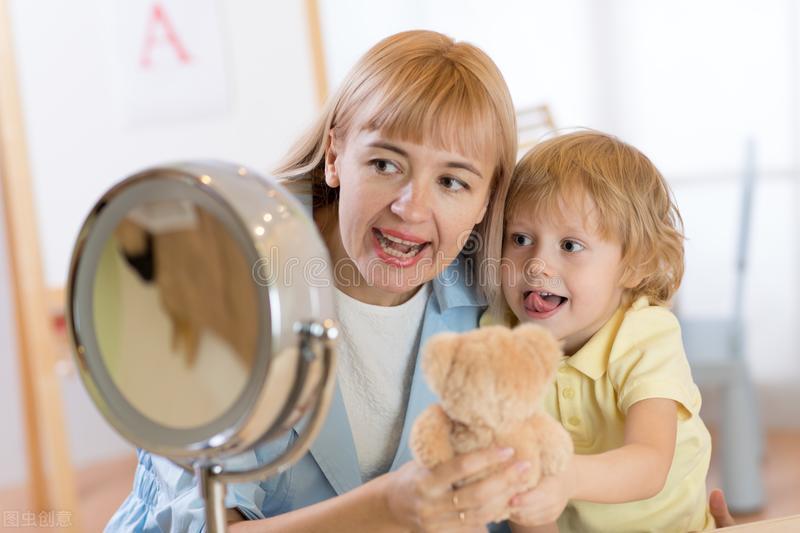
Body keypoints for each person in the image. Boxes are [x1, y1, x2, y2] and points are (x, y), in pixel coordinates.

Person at [106, 30, 529, 533]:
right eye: (385, 164)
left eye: (452, 181)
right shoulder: (229, 280)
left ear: (485, 200)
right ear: (335, 156)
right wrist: (385, 509)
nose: (411, 208)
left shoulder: (496, 294)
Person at [494, 131, 716, 532]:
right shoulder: (502, 342)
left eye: (570, 245)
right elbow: (525, 494)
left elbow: (649, 463)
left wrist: (564, 477)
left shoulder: (646, 335)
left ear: (632, 265)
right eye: (521, 239)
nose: (536, 264)